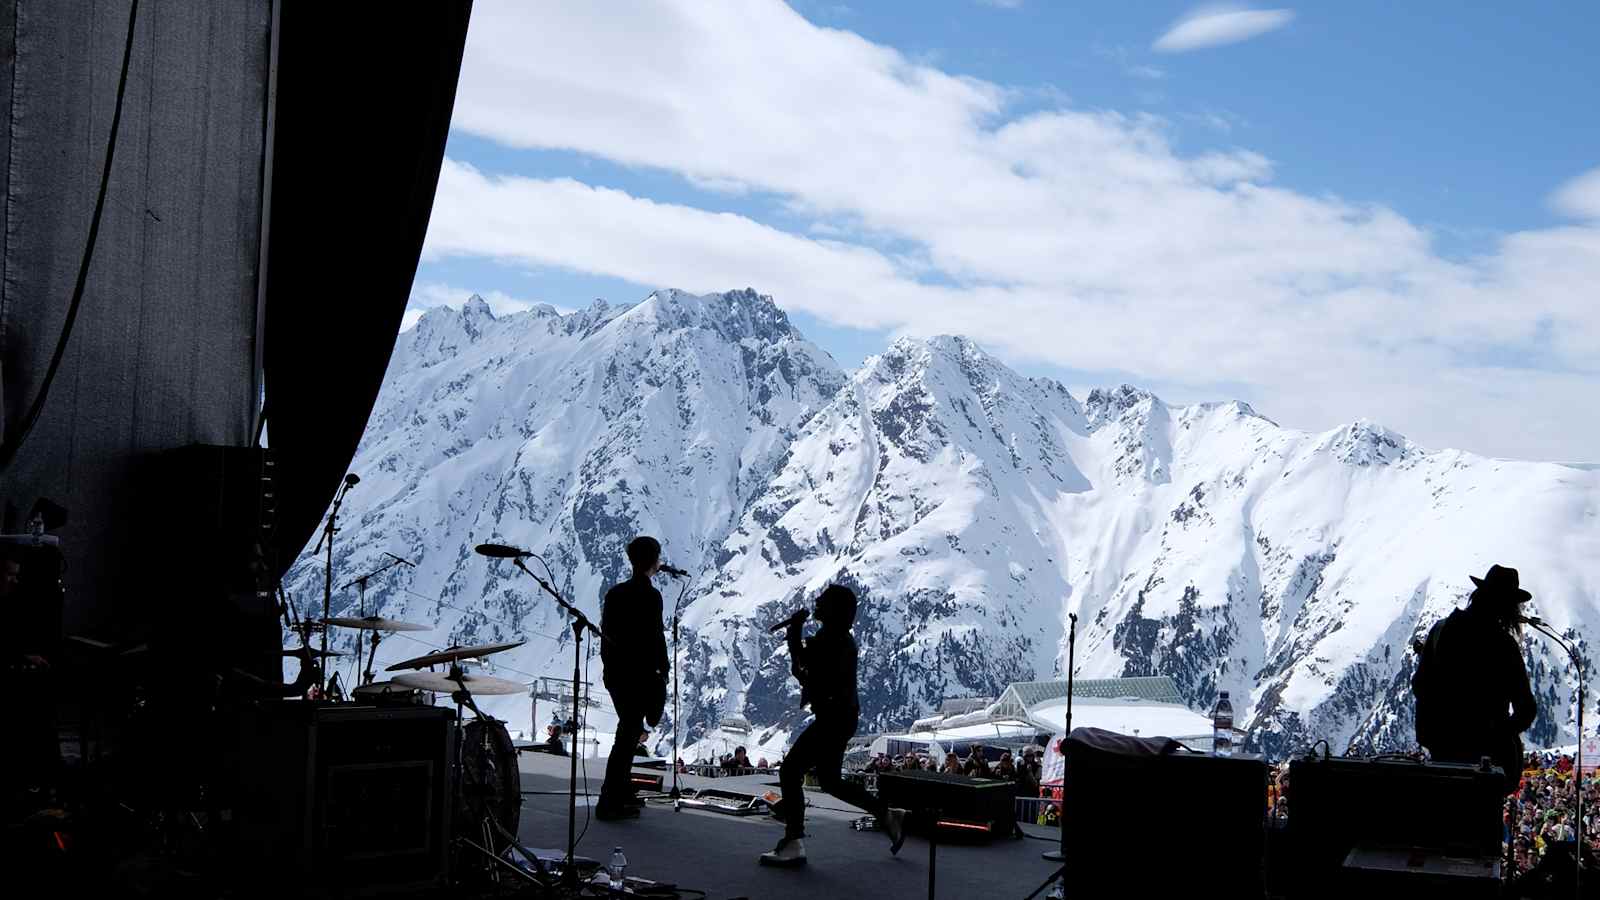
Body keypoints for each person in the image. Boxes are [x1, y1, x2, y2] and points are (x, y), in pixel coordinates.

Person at [760, 585, 906, 867]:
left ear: (833, 610)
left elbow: (802, 669)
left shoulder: (830, 640)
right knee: (830, 781)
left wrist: (794, 634)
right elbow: (807, 669)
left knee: (790, 771)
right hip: (842, 717)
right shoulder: (839, 639)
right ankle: (885, 813)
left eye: (823, 601)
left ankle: (793, 841)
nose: (817, 601)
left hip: (832, 719)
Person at [1412, 564, 1538, 795]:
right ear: (1506, 605)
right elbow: (1526, 708)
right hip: (1485, 765)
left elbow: (1420, 686)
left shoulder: (1440, 631)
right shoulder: (1503, 645)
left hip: (1443, 755)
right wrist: (1500, 734)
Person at [596, 537, 670, 820]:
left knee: (628, 732)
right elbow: (655, 639)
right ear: (654, 561)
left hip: (617, 676)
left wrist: (612, 670)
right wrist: (662, 671)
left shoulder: (615, 594)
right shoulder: (651, 596)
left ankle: (621, 792)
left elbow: (607, 638)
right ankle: (609, 800)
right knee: (626, 738)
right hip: (640, 677)